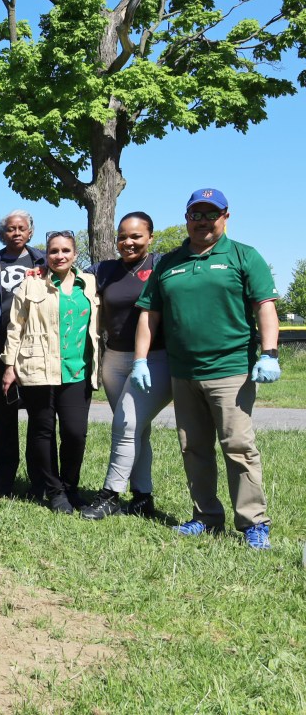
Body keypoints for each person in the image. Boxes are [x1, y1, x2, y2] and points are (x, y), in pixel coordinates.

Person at [133, 188, 280, 550]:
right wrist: (140, 360)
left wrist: (270, 353)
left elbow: (264, 306)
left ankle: (252, 522)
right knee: (193, 447)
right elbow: (149, 314)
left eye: (210, 214)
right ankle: (206, 516)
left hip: (231, 369)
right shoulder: (169, 262)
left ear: (225, 216)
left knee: (238, 446)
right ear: (186, 219)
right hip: (184, 373)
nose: (202, 221)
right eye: (195, 214)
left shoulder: (244, 256)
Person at [80, 212, 172, 520]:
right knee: (138, 429)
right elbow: (68, 274)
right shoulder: (104, 270)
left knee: (126, 423)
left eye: (136, 236)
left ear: (150, 237)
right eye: (122, 236)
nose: (128, 242)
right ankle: (143, 497)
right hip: (114, 360)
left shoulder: (161, 265)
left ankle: (110, 495)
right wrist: (37, 270)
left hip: (154, 360)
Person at [1, 230, 99, 513]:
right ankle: (54, 492)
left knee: (75, 432)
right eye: (54, 251)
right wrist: (10, 365)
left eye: (66, 251)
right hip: (37, 368)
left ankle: (71, 487)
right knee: (42, 431)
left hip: (76, 369)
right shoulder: (31, 283)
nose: (60, 256)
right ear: (47, 255)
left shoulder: (89, 282)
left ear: (75, 254)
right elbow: (15, 325)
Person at [0, 210, 46, 495]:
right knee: (5, 418)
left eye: (22, 228)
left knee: (38, 416)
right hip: (0, 349)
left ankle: (39, 481)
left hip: (37, 348)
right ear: (2, 233)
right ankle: (4, 481)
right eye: (10, 229)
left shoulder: (43, 261)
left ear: (30, 232)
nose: (16, 232)